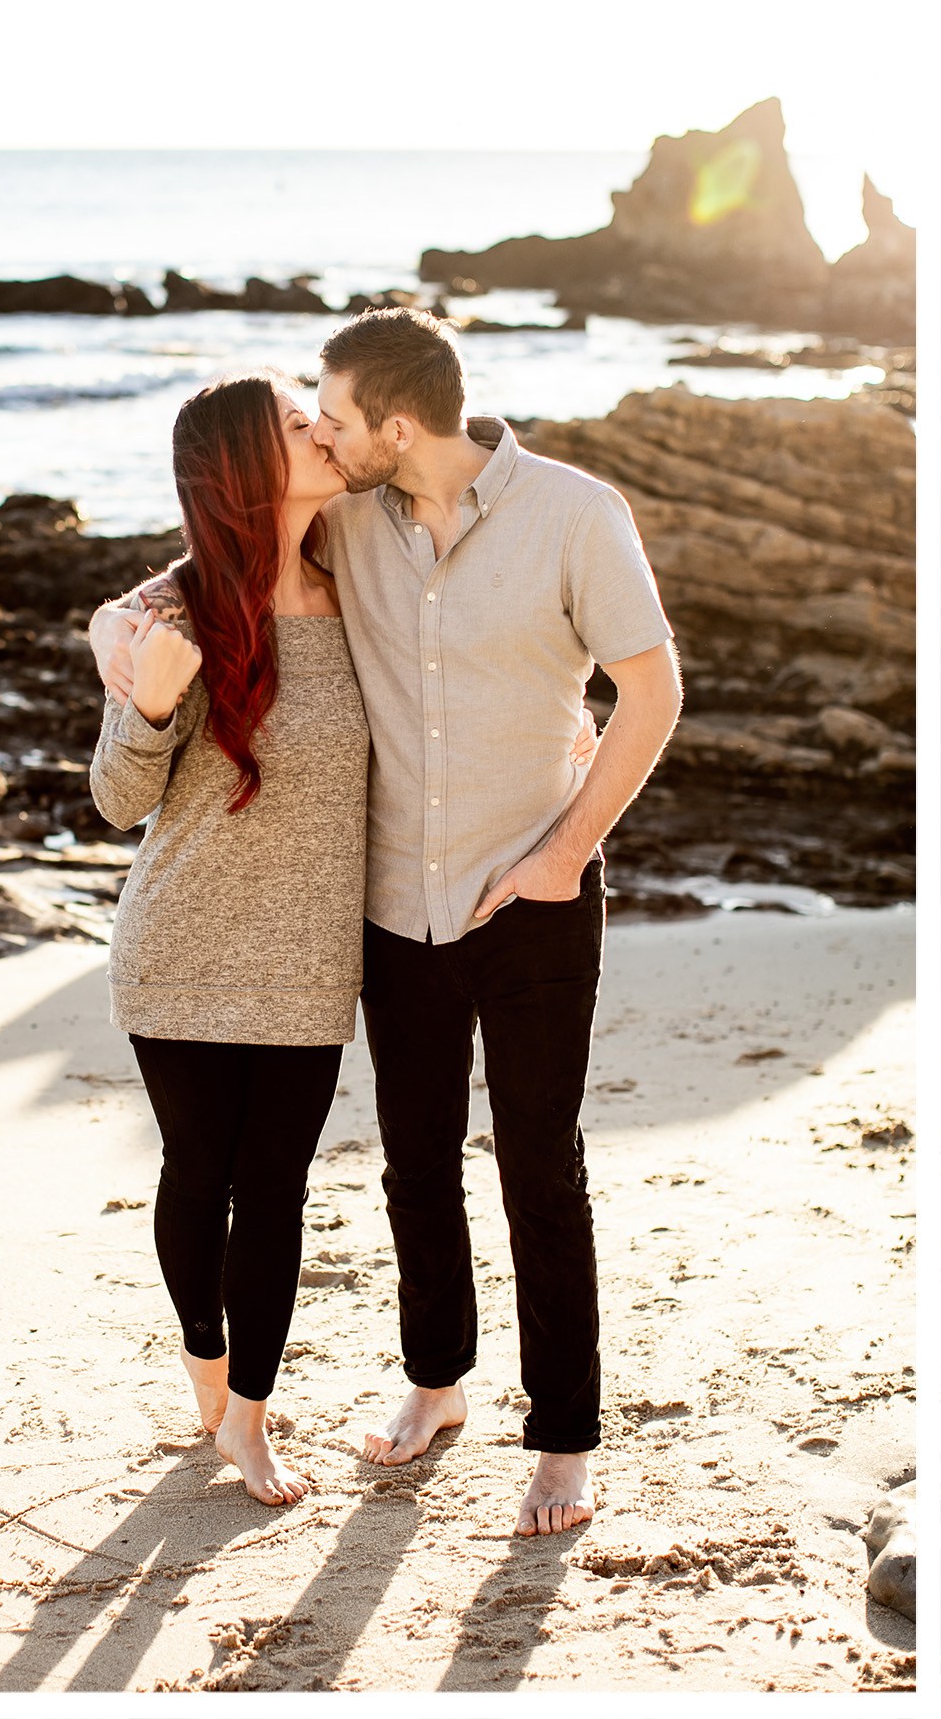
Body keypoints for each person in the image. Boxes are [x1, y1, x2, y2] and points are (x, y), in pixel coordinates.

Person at [101, 308, 679, 1538]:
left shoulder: (576, 515)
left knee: (541, 1171)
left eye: (337, 415)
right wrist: (115, 636)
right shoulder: (347, 523)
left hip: (534, 893)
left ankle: (563, 1442)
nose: (323, 430)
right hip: (386, 911)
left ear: (396, 426)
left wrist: (565, 852)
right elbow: (185, 579)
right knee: (415, 1167)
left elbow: (652, 689)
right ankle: (436, 1385)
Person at [88, 371, 367, 1507]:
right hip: (181, 944)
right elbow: (115, 801)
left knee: (281, 1187)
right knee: (199, 1176)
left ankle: (248, 1415)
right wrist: (147, 699)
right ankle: (214, 1383)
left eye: (316, 416)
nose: (323, 432)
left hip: (309, 955)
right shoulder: (177, 615)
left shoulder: (364, 575)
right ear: (249, 467)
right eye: (299, 426)